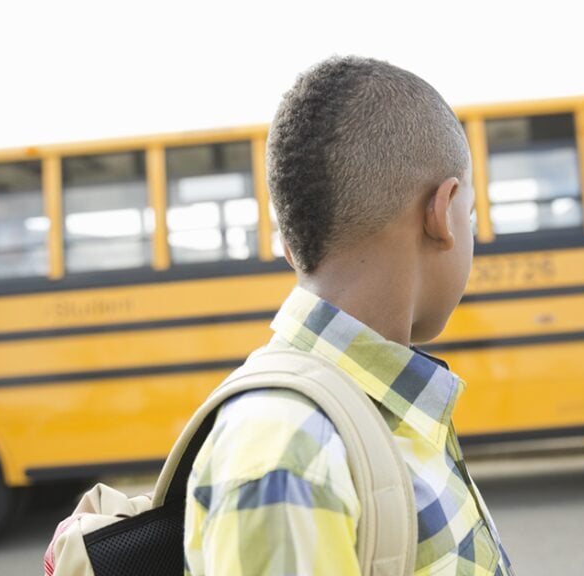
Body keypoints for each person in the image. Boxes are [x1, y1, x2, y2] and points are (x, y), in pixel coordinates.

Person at [184, 55, 513, 575]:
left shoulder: (373, 413)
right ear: (443, 213)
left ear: (291, 245)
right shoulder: (291, 454)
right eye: (469, 215)